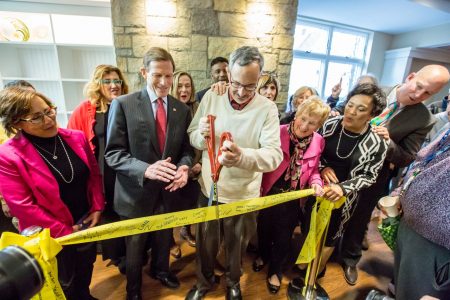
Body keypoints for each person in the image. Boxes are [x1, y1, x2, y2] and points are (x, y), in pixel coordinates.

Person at [186, 46, 283, 300]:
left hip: (243, 195)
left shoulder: (268, 109)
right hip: (209, 190)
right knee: (205, 246)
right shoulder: (211, 96)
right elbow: (193, 137)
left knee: (237, 247)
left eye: (250, 86)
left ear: (260, 78)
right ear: (228, 74)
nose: (241, 92)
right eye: (236, 83)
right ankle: (203, 283)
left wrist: (242, 157)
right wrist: (201, 135)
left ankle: (233, 283)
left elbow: (274, 156)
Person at [340, 65, 450, 286]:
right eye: (418, 86)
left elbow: (407, 157)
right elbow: (344, 110)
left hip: (373, 178)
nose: (418, 95)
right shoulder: (371, 90)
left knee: (359, 219)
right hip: (340, 165)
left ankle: (349, 259)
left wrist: (388, 142)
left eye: (427, 93)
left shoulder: (423, 119)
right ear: (410, 77)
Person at [105, 47, 193, 299]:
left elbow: (186, 151)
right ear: (144, 72)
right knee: (135, 247)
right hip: (135, 194)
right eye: (157, 75)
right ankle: (133, 289)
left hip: (167, 193)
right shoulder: (123, 104)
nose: (165, 83)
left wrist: (184, 167)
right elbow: (113, 154)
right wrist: (146, 170)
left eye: (169, 76)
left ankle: (161, 271)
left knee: (165, 238)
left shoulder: (181, 109)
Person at [0, 87, 105, 300]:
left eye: (49, 111)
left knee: (86, 266)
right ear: (16, 123)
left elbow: (93, 175)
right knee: (62, 279)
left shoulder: (76, 138)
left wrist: (97, 207)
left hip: (85, 221)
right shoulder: (8, 156)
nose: (48, 120)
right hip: (50, 233)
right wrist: (65, 231)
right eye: (36, 117)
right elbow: (23, 205)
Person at [290, 83, 388, 297]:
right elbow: (312, 152)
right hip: (316, 189)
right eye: (350, 105)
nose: (351, 111)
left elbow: (370, 176)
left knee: (331, 235)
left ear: (372, 114)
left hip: (344, 199)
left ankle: (312, 274)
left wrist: (343, 188)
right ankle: (306, 264)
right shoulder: (330, 125)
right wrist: (323, 168)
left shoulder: (377, 142)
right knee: (309, 227)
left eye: (360, 109)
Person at [253, 97, 329, 294]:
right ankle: (262, 255)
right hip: (268, 194)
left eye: (312, 123)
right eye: (303, 118)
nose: (304, 126)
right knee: (263, 229)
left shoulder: (319, 141)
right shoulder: (277, 132)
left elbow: (314, 171)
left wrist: (316, 183)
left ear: (318, 125)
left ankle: (276, 271)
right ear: (296, 114)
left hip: (293, 199)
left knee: (284, 236)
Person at [68, 64, 129, 273]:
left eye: (117, 81)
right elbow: (73, 142)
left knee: (128, 212)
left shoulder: (127, 105)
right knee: (108, 213)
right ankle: (118, 256)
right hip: (101, 173)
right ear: (98, 84)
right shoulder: (85, 109)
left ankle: (134, 252)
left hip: (125, 170)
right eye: (108, 81)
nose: (114, 85)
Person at [169, 71, 201, 255]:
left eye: (187, 85)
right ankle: (170, 241)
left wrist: (200, 164)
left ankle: (186, 230)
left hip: (195, 167)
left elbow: (207, 139)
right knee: (171, 206)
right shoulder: (168, 109)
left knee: (191, 203)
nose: (184, 89)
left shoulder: (198, 108)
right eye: (180, 85)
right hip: (174, 169)